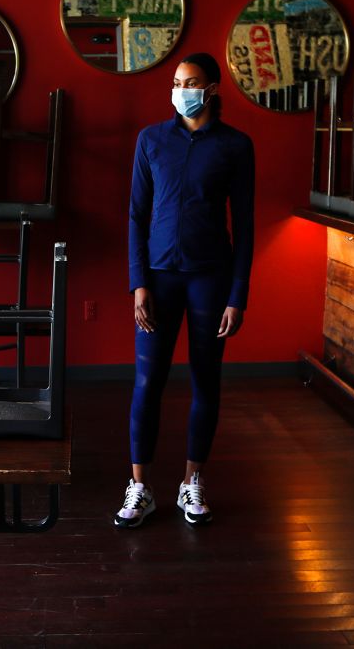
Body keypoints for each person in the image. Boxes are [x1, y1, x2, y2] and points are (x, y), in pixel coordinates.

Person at [114, 51, 255, 528]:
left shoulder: (236, 146)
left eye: (190, 82)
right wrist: (138, 284)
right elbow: (135, 215)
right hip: (158, 278)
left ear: (213, 88)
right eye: (176, 81)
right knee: (147, 384)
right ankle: (140, 487)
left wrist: (238, 294)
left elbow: (247, 225)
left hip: (210, 279)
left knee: (205, 382)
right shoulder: (151, 140)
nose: (181, 90)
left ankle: (192, 482)